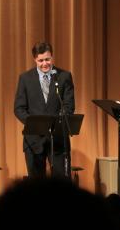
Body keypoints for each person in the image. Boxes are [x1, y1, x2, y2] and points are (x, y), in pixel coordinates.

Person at [14, 42, 75, 178]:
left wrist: (58, 122)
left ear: (52, 56)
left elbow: (69, 106)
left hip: (58, 139)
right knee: (37, 186)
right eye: (40, 60)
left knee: (61, 183)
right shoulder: (25, 78)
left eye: (47, 59)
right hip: (34, 140)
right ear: (35, 59)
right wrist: (34, 123)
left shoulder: (64, 76)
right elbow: (19, 108)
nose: (44, 64)